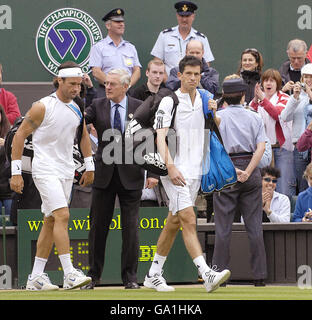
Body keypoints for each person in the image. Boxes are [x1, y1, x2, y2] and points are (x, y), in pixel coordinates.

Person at [143, 56, 230, 293]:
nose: (193, 78)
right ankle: (206, 273)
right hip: (174, 171)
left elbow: (215, 127)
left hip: (195, 171)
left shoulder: (204, 98)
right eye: (189, 74)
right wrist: (169, 167)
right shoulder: (168, 101)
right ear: (179, 75)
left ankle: (153, 274)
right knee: (189, 219)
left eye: (197, 74)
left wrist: (213, 112)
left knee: (173, 222)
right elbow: (159, 136)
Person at [10, 61, 95, 291]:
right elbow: (19, 137)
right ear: (59, 81)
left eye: (79, 84)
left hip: (66, 170)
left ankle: (36, 277)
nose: (77, 88)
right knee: (62, 215)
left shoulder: (78, 106)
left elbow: (83, 135)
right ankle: (69, 274)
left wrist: (90, 165)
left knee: (49, 221)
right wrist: (16, 173)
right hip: (44, 169)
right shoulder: (41, 107)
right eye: (72, 84)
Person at [82, 68, 157, 290]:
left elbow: (150, 138)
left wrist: (153, 172)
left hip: (131, 175)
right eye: (106, 84)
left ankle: (130, 278)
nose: (108, 87)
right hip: (104, 175)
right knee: (97, 228)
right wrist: (85, 92)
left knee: (131, 229)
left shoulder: (139, 106)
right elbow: (80, 118)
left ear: (125, 86)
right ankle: (93, 277)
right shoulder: (97, 104)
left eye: (113, 84)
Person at [211, 77, 267, 286]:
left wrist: (233, 170)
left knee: (223, 227)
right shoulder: (254, 117)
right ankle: (259, 277)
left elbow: (214, 148)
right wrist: (247, 171)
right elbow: (261, 148)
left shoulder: (218, 117)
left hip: (227, 170)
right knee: (254, 226)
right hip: (250, 169)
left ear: (224, 96)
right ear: (244, 95)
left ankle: (218, 276)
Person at [280, 63, 312, 193]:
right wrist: (295, 97)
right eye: (305, 77)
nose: (308, 80)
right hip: (300, 147)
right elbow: (284, 117)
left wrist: (310, 94)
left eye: (311, 77)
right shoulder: (297, 97)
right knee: (302, 185)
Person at [250, 69, 295, 198]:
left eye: (272, 80)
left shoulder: (284, 98)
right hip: (262, 150)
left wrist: (263, 100)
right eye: (266, 80)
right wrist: (255, 100)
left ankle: (285, 217)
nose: (268, 83)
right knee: (261, 187)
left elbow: (277, 114)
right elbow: (249, 117)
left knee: (284, 188)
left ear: (278, 83)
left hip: (281, 149)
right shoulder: (258, 100)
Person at [150, 1, 214, 76]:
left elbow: (206, 65)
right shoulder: (165, 36)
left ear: (193, 16)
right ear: (177, 16)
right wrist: (167, 82)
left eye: (187, 16)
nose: (184, 20)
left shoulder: (201, 39)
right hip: (168, 83)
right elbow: (157, 62)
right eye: (181, 16)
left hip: (193, 83)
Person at [89, 8, 141, 98]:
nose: (121, 24)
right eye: (117, 22)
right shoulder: (98, 47)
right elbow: (96, 72)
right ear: (108, 25)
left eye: (122, 22)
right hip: (106, 91)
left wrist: (126, 86)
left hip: (127, 92)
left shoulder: (130, 47)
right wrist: (112, 85)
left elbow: (137, 71)